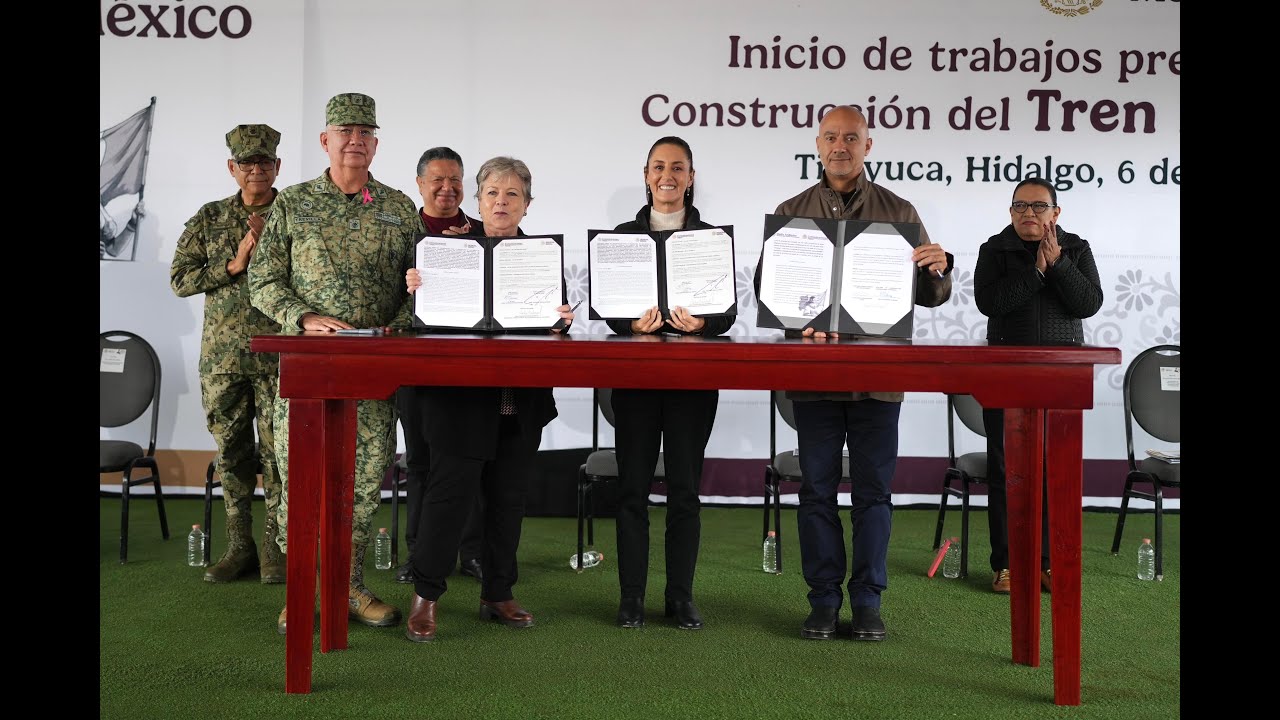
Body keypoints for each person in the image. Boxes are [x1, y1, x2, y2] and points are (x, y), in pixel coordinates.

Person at [754, 105, 953, 642]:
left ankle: (867, 602)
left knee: (873, 495)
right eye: (831, 137)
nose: (840, 146)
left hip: (879, 380)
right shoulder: (791, 212)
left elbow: (931, 295)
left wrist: (938, 267)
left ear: (869, 145)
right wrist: (797, 319)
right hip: (815, 379)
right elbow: (766, 292)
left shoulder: (900, 211)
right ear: (817, 145)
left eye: (851, 137)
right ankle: (822, 602)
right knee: (816, 491)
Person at [249, 92, 426, 634]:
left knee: (362, 482)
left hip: (373, 373)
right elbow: (262, 279)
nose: (355, 140)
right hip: (307, 367)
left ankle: (346, 587)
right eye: (344, 131)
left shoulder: (398, 207)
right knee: (302, 478)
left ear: (376, 144)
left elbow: (423, 284)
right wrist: (302, 317)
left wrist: (403, 317)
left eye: (365, 133)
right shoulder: (293, 204)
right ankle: (304, 586)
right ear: (325, 141)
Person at [402, 156, 576, 643]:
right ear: (477, 201)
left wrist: (560, 320)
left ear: (527, 205)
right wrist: (417, 287)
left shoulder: (543, 257)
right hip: (459, 401)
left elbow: (553, 327)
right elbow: (425, 322)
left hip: (520, 403)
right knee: (447, 497)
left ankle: (498, 593)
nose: (502, 202)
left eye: (513, 194)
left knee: (509, 500)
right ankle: (426, 596)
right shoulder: (448, 252)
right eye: (493, 193)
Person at [606, 136, 732, 631]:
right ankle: (631, 597)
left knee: (685, 492)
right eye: (659, 166)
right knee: (632, 491)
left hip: (691, 381)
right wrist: (629, 326)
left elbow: (726, 313)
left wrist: (703, 325)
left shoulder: (711, 238)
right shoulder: (621, 235)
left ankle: (680, 597)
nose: (668, 176)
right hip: (635, 382)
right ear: (645, 174)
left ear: (691, 176)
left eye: (677, 167)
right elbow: (610, 309)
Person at [973, 177, 1103, 595]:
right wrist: (1037, 271)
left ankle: (1048, 563)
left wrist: (1060, 264)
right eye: (1020, 206)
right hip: (1006, 370)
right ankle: (1007, 564)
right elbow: (991, 304)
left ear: (1055, 213)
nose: (1029, 213)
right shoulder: (994, 250)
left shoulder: (1077, 248)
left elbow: (1088, 303)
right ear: (1010, 212)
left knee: (1055, 470)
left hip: (1061, 372)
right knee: (1004, 468)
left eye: (1039, 206)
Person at [169, 124, 286, 584]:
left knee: (280, 457)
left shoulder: (292, 213)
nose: (255, 170)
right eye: (246, 163)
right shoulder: (210, 216)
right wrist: (233, 265)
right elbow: (180, 280)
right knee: (232, 454)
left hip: (279, 354)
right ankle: (240, 546)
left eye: (264, 163)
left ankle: (277, 549)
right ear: (232, 168)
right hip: (223, 359)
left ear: (277, 167)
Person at [393, 146, 485, 585]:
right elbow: (382, 295)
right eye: (437, 180)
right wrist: (405, 286)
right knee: (422, 462)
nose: (447, 189)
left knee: (470, 459)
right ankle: (420, 555)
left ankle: (471, 551)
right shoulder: (399, 233)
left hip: (472, 367)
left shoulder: (484, 233)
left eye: (455, 181)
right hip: (415, 364)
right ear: (420, 184)